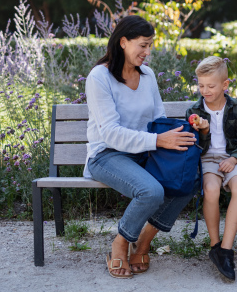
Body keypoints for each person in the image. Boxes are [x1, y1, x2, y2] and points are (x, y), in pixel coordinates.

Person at [84, 15, 198, 279]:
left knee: (189, 178)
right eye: (143, 45)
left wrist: (185, 133)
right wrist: (158, 141)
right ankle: (121, 243)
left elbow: (158, 120)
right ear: (123, 42)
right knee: (151, 191)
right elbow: (110, 134)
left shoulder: (147, 76)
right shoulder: (99, 77)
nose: (147, 52)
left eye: (150, 46)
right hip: (107, 156)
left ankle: (143, 242)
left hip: (144, 153)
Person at [185, 56, 237, 282]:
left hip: (231, 158)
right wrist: (203, 132)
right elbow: (195, 149)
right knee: (211, 190)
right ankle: (215, 245)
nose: (205, 90)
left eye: (211, 86)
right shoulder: (194, 110)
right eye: (201, 85)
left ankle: (226, 249)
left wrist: (234, 160)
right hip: (207, 159)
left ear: (225, 85)